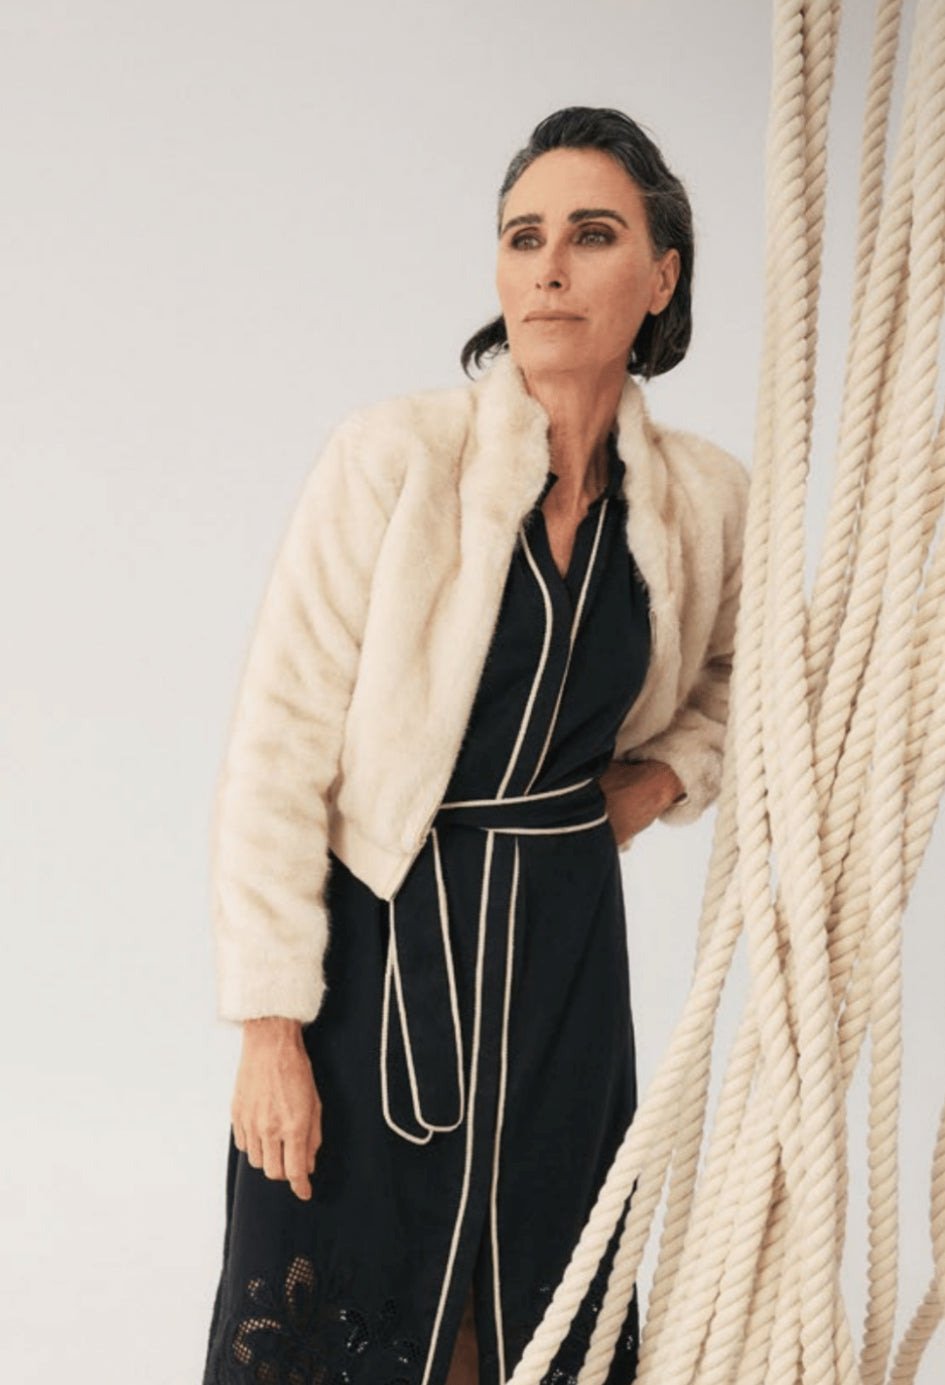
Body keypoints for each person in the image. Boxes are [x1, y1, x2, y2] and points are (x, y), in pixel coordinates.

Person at [201, 106, 749, 1385]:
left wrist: (659, 780)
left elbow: (744, 679)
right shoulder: (392, 459)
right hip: (381, 961)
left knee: (537, 1304)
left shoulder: (705, 500)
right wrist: (270, 1026)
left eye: (593, 235)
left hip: (568, 962)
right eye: (523, 236)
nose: (550, 268)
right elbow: (277, 746)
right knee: (344, 1294)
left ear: (661, 276)